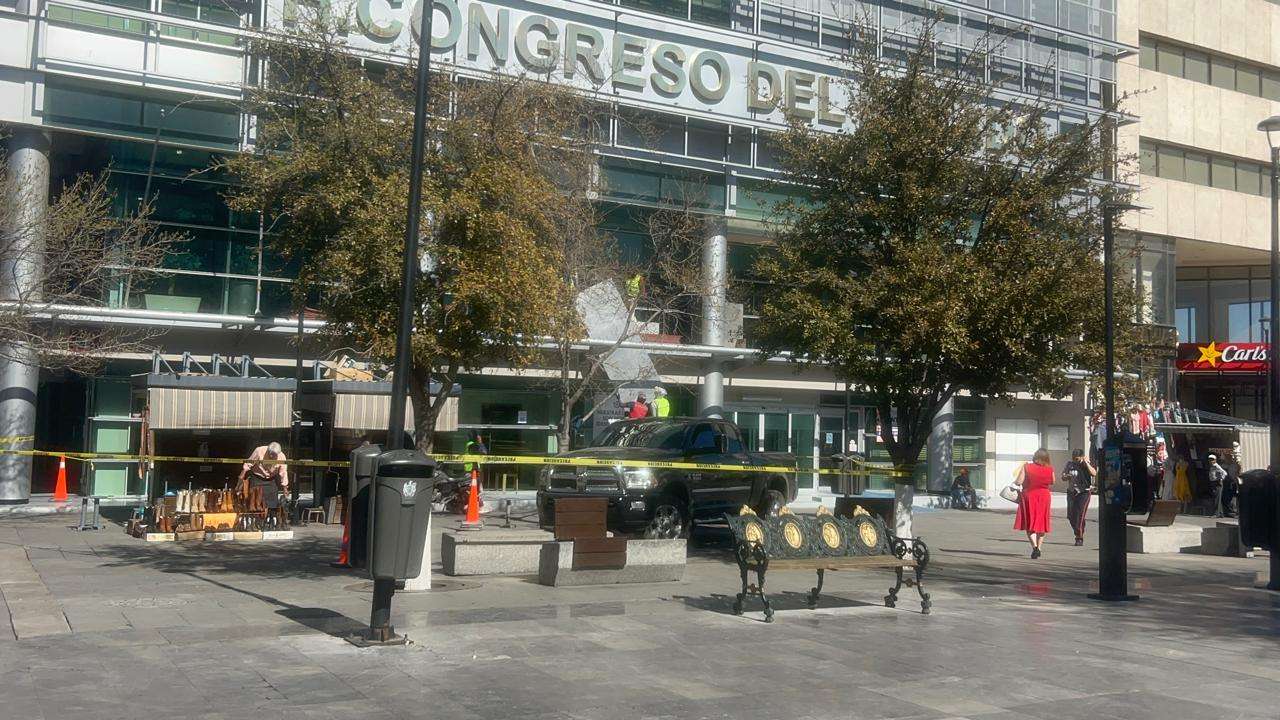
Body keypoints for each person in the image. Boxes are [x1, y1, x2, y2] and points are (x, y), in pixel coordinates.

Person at [1013, 448, 1055, 559]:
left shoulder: (1027, 467)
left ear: (1035, 456)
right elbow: (1052, 481)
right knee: (1042, 523)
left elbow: (1019, 481)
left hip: (1029, 496)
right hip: (1044, 497)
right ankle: (1039, 548)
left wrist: (1017, 481)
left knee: (1030, 522)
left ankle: (1034, 547)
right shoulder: (1049, 469)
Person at [1061, 449, 1096, 547]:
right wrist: (1066, 476)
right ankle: (1079, 529)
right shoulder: (1069, 464)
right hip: (1072, 492)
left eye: (1077, 459)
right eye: (1073, 458)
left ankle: (1079, 537)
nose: (1075, 461)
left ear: (1082, 457)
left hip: (1083, 492)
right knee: (1071, 516)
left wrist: (1086, 463)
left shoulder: (1086, 464)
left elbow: (1094, 473)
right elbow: (1063, 477)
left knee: (1080, 515)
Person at [238, 441, 288, 506]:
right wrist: (242, 474)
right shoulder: (259, 451)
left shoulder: (282, 457)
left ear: (278, 454)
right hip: (257, 480)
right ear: (267, 450)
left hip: (271, 481)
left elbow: (283, 473)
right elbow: (248, 463)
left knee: (272, 505)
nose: (271, 456)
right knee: (254, 504)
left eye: (273, 454)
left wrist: (285, 488)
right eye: (270, 453)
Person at [1208, 453, 1228, 518]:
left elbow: (1225, 473)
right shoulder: (1212, 466)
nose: (1211, 461)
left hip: (1217, 483)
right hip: (1213, 483)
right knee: (1218, 498)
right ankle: (1221, 513)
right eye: (1210, 459)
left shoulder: (1216, 466)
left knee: (1217, 498)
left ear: (1215, 460)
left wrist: (1221, 479)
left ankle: (1216, 514)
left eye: (1212, 459)